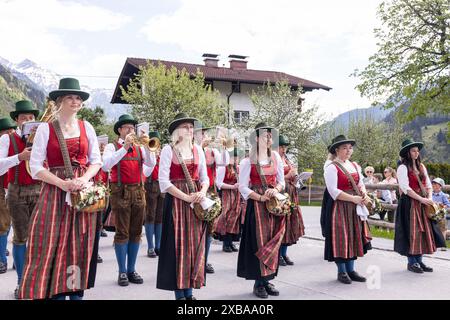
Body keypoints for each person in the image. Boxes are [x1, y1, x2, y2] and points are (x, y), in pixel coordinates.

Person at [18, 78, 102, 300]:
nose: (75, 101)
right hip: (55, 193)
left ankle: (75, 292)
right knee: (51, 244)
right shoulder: (45, 129)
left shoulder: (88, 127)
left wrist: (83, 178)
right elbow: (35, 167)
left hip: (82, 193)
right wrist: (63, 183)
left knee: (78, 245)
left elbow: (96, 161)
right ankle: (54, 292)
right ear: (58, 102)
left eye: (78, 98)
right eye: (70, 98)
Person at [156, 113, 209, 300]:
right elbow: (163, 181)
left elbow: (205, 178)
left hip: (196, 200)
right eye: (186, 127)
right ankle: (180, 293)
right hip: (177, 202)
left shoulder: (198, 150)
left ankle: (190, 291)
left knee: (194, 245)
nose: (190, 130)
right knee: (178, 246)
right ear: (177, 131)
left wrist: (202, 191)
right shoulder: (168, 150)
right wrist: (186, 197)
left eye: (191, 127)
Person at [102, 114, 155, 286]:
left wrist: (148, 146)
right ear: (120, 130)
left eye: (133, 128)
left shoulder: (139, 148)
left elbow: (151, 164)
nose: (131, 131)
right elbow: (106, 165)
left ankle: (132, 269)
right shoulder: (112, 146)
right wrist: (124, 147)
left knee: (136, 233)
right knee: (122, 232)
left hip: (139, 192)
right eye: (127, 128)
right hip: (120, 193)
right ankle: (122, 271)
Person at [237, 122, 286, 299]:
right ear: (257, 138)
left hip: (274, 204)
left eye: (271, 136)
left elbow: (282, 182)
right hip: (257, 206)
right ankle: (258, 283)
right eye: (266, 135)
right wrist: (259, 197)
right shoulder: (247, 161)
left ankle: (267, 279)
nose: (269, 138)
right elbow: (242, 187)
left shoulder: (276, 157)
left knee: (273, 241)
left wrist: (276, 190)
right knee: (259, 243)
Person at [0, 100, 42, 298]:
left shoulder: (41, 137)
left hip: (39, 190)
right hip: (16, 192)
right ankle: (20, 282)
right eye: (24, 118)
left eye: (32, 118)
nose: (28, 120)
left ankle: (36, 280)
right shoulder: (7, 140)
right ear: (17, 120)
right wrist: (19, 157)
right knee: (20, 238)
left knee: (39, 238)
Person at [320, 135, 372, 284]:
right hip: (340, 207)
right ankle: (342, 271)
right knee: (341, 238)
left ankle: (351, 269)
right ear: (337, 150)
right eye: (345, 148)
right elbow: (333, 191)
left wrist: (364, 195)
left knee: (354, 236)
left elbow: (360, 183)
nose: (348, 150)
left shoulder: (354, 166)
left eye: (350, 147)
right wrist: (352, 199)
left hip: (355, 206)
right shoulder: (331, 167)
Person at [394, 139, 446, 273]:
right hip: (410, 204)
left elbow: (428, 185)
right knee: (412, 233)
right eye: (413, 150)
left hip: (423, 203)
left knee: (423, 233)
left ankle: (420, 261)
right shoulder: (402, 167)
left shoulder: (421, 166)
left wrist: (428, 198)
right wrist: (421, 199)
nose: (416, 153)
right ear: (407, 152)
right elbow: (405, 188)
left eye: (417, 150)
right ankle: (412, 262)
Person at [194, 125, 229, 274]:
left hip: (211, 191)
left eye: (205, 133)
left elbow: (224, 162)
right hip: (196, 191)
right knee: (195, 228)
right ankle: (195, 260)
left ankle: (205, 260)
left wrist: (225, 147)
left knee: (209, 229)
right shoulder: (193, 150)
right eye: (201, 133)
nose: (204, 135)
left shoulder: (213, 152)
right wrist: (200, 146)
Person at [278, 135, 305, 266]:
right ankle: (277, 255)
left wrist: (295, 177)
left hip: (291, 191)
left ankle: (284, 253)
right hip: (281, 192)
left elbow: (291, 177)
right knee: (281, 222)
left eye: (285, 147)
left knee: (290, 222)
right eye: (281, 146)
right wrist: (287, 176)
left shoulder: (287, 160)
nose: (284, 149)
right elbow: (273, 179)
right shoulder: (273, 160)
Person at [215, 147, 242, 252]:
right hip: (226, 193)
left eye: (237, 158)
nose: (236, 160)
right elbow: (219, 183)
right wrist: (232, 187)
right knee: (226, 216)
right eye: (234, 158)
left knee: (234, 217)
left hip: (236, 194)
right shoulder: (224, 168)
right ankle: (225, 243)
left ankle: (230, 242)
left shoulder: (237, 168)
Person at [143, 131, 165, 258]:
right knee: (150, 216)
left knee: (160, 217)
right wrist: (153, 155)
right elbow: (146, 172)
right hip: (150, 185)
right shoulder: (148, 156)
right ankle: (150, 247)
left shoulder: (163, 156)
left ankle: (158, 246)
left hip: (161, 186)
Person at [0, 117, 16, 274]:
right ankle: (1, 260)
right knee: (3, 224)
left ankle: (17, 259)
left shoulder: (16, 144)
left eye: (12, 130)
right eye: (6, 131)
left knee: (12, 223)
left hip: (12, 187)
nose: (10, 133)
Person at [431, 177, 449, 249]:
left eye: (436, 184)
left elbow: (448, 205)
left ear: (440, 186)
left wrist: (442, 205)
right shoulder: (431, 194)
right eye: (433, 184)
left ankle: (442, 244)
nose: (434, 185)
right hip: (432, 214)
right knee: (433, 228)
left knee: (442, 229)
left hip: (441, 215)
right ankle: (433, 244)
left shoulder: (443, 195)